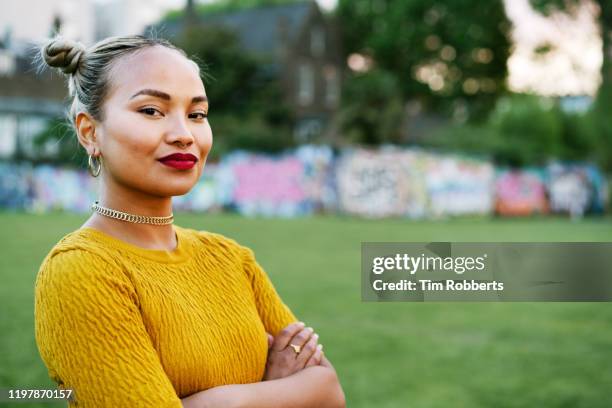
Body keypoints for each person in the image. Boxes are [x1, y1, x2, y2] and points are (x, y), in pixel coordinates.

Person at [34, 35, 345, 408]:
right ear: (89, 131)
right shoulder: (81, 270)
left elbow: (329, 392)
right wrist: (271, 391)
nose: (184, 135)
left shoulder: (230, 258)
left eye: (196, 114)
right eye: (151, 110)